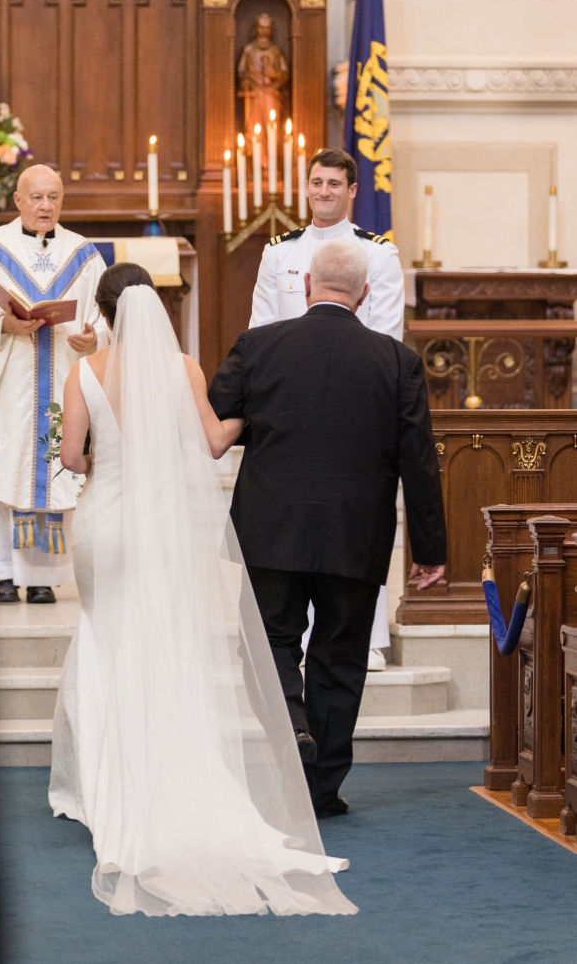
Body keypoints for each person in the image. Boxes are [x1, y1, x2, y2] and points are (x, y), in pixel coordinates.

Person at [47, 261, 355, 915]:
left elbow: (72, 457)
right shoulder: (185, 369)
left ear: (102, 312)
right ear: (153, 307)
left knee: (104, 634)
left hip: (104, 522)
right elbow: (215, 440)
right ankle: (171, 773)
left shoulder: (84, 371)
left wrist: (108, 452)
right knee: (161, 640)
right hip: (162, 527)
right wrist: (254, 411)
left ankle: (101, 785)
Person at [211, 237, 447, 820]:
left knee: (269, 645)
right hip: (355, 531)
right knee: (340, 657)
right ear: (365, 296)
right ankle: (322, 790)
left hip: (270, 526)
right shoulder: (397, 362)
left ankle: (292, 730)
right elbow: (417, 460)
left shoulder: (259, 345)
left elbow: (217, 413)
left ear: (308, 286)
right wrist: (431, 549)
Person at [248, 146, 407, 670]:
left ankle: (368, 639)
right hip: (292, 406)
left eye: (334, 184)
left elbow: (385, 337)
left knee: (355, 515)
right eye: (316, 183)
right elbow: (261, 332)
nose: (323, 193)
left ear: (352, 190)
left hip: (352, 405)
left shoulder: (378, 254)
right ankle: (288, 637)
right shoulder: (280, 252)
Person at [0, 163, 106, 605]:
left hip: (62, 378)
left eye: (53, 197)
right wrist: (3, 327)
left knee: (55, 466)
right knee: (2, 463)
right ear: (17, 200)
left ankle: (42, 577)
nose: (45, 205)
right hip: (6, 381)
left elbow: (103, 317)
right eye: (36, 197)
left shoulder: (84, 254)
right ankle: (1, 575)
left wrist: (95, 336)